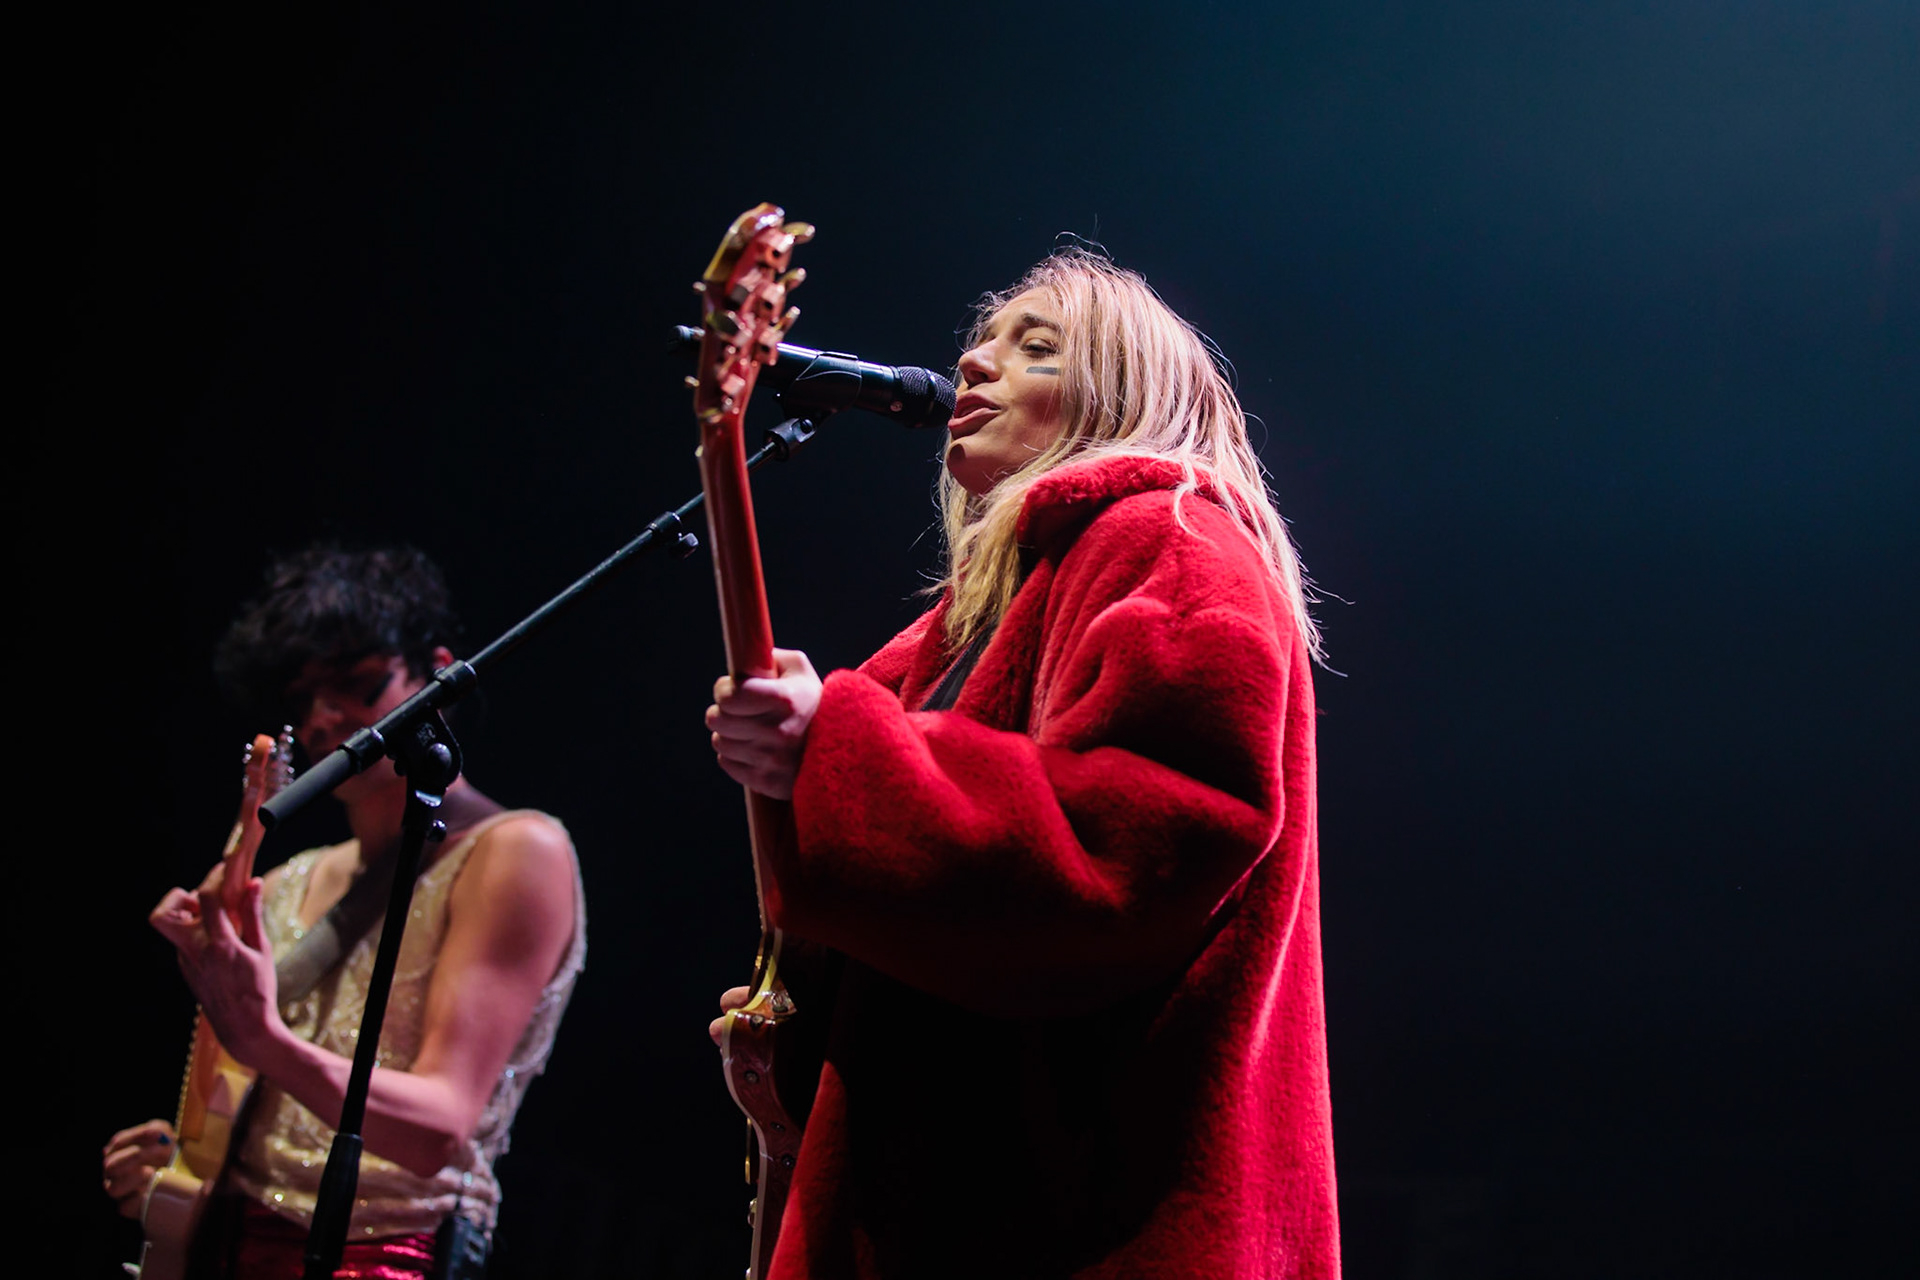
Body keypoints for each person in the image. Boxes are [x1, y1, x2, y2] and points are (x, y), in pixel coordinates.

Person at [706, 249, 1340, 1278]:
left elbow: (1141, 840)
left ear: (1121, 391)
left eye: (1033, 346)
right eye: (981, 342)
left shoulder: (1177, 545)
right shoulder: (953, 635)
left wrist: (839, 744)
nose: (974, 361)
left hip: (1087, 1217)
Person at [102, 545, 585, 1279]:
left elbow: (438, 1128)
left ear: (438, 675)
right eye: (304, 701)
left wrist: (263, 1040)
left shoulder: (517, 851)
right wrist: (184, 1177)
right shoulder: (290, 878)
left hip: (387, 1255)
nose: (327, 719)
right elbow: (271, 1105)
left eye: (358, 684)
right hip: (233, 1248)